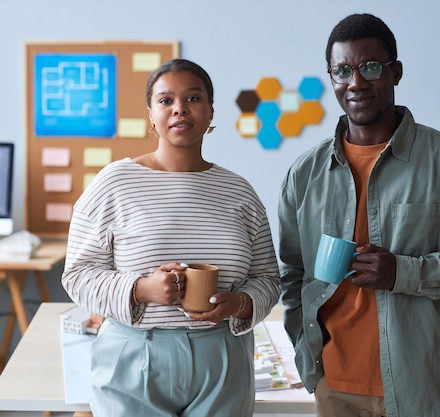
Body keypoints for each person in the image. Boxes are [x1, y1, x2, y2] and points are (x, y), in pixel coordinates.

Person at [277, 13, 440, 417]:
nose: (356, 83)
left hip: (424, 382)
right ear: (331, 77)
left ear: (395, 72)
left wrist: (403, 273)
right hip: (334, 386)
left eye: (370, 67)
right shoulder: (305, 174)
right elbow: (292, 273)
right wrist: (306, 354)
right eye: (342, 70)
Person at [62, 58, 280, 417]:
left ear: (210, 111)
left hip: (222, 358)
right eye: (165, 101)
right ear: (151, 114)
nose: (179, 108)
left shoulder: (240, 192)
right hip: (133, 357)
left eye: (193, 98)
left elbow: (267, 279)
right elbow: (77, 274)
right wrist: (142, 289)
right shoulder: (113, 183)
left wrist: (239, 304)